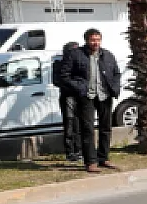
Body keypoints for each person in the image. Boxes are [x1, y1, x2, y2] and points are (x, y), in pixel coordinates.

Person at [61, 27, 123, 173]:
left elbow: (116, 73)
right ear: (86, 40)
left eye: (98, 40)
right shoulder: (76, 54)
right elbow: (64, 75)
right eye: (92, 40)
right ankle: (90, 161)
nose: (96, 43)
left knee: (105, 128)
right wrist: (79, 87)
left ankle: (103, 158)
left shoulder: (107, 55)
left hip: (104, 95)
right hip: (86, 96)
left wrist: (114, 88)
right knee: (87, 129)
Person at [50, 41, 83, 163]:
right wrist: (74, 85)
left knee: (79, 124)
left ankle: (79, 150)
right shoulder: (59, 64)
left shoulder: (79, 64)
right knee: (69, 124)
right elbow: (58, 81)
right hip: (67, 96)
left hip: (79, 97)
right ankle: (70, 152)